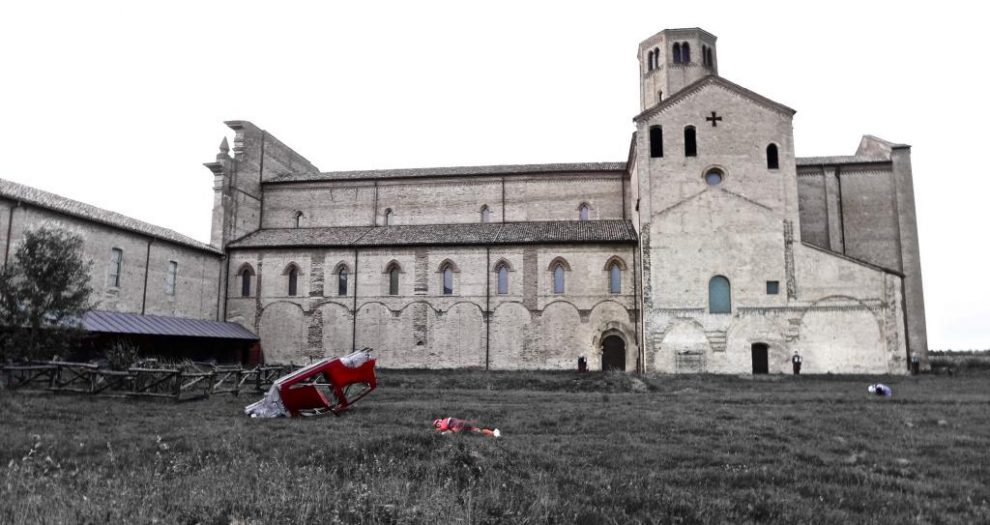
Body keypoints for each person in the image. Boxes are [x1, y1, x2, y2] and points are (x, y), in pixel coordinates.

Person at [433, 417, 500, 438]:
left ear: (440, 421)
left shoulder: (444, 422)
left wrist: (439, 430)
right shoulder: (446, 420)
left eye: (437, 424)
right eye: (436, 425)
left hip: (459, 426)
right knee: (478, 432)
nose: (438, 425)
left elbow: (444, 428)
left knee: (450, 433)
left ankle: (494, 433)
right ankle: (494, 433)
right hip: (464, 423)